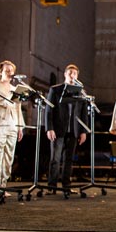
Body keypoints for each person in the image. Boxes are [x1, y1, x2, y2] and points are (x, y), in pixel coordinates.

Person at [45, 64, 88, 194]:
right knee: (55, 159)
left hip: (73, 130)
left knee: (69, 159)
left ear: (77, 76)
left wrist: (83, 131)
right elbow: (48, 111)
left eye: (74, 73)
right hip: (58, 129)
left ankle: (66, 186)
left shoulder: (80, 92)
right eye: (69, 73)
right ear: (65, 74)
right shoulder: (55, 90)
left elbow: (83, 113)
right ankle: (52, 187)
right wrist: (49, 128)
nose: (71, 75)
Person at [0, 60, 25, 195]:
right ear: (0, 72)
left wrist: (20, 127)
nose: (10, 73)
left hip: (12, 125)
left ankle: (3, 185)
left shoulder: (15, 89)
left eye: (11, 71)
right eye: (6, 70)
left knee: (8, 157)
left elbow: (18, 108)